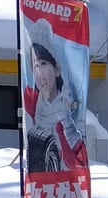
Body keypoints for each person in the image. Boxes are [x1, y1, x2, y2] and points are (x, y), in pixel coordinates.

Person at [23, 40, 87, 173]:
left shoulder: (70, 110)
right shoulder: (30, 103)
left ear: (57, 69)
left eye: (44, 64)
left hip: (65, 185)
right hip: (40, 182)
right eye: (35, 66)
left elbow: (79, 163)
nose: (39, 72)